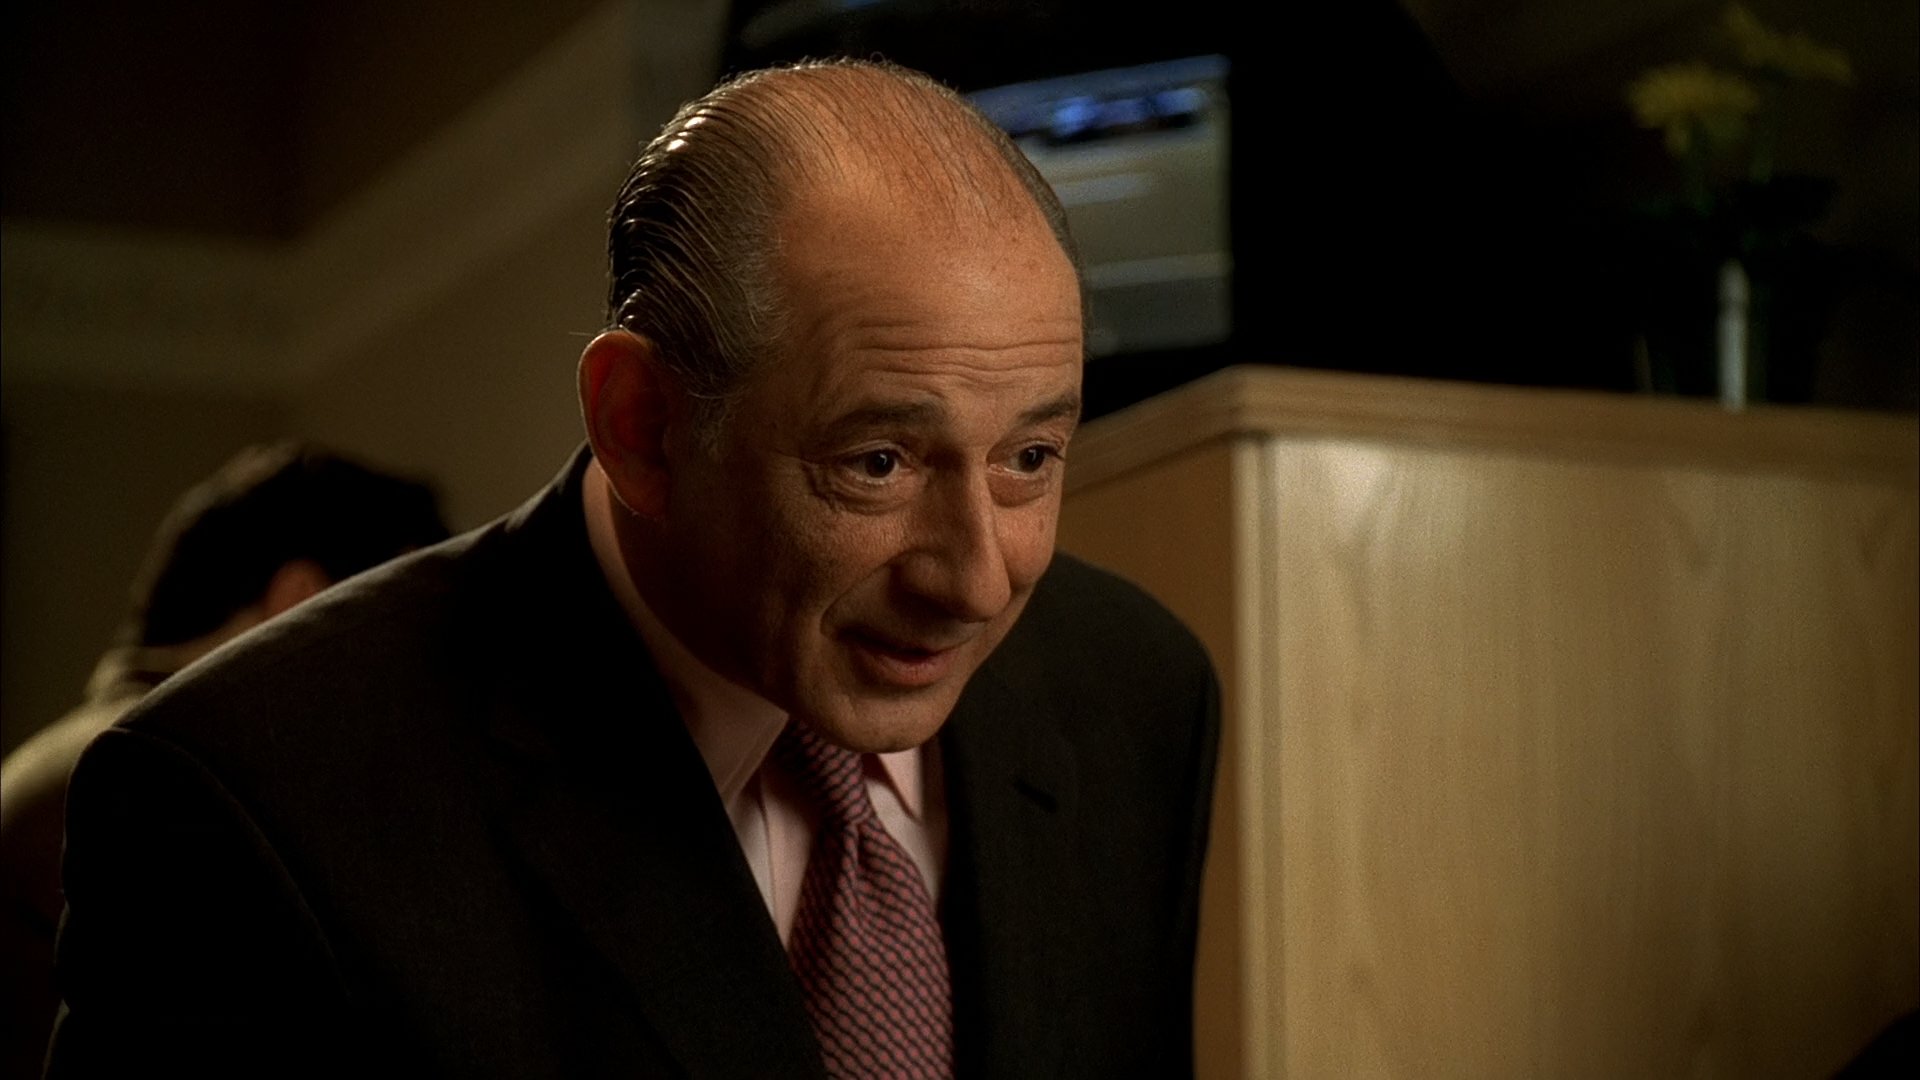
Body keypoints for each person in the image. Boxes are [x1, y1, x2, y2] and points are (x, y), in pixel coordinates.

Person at [46, 60, 1219, 1078]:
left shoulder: (1137, 694)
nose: (975, 582)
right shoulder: (248, 802)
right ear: (643, 426)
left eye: (1028, 458)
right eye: (877, 462)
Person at [0, 442, 447, 1078]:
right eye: (396, 629)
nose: (414, 682)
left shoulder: (79, 761)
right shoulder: (167, 786)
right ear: (302, 600)